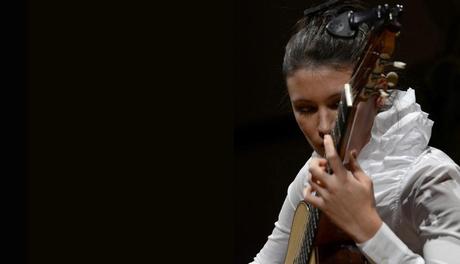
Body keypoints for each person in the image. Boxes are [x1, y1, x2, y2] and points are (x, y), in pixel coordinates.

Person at [250, 0, 460, 263]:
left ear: (378, 92)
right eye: (305, 109)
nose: (324, 126)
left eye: (338, 104)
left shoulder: (430, 178)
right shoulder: (313, 176)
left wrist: (367, 227)